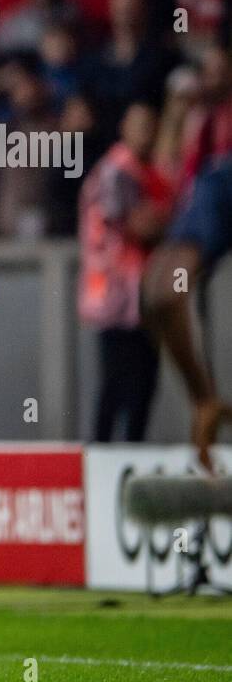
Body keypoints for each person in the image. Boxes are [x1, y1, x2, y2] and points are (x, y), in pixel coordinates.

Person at [78, 103, 174, 443]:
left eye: (152, 127)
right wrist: (175, 217)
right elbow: (141, 225)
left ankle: (132, 452)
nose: (148, 135)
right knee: (118, 382)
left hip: (143, 297)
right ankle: (103, 458)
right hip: (118, 299)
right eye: (141, 127)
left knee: (144, 382)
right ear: (125, 128)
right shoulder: (117, 172)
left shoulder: (146, 172)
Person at [143, 158, 232, 472]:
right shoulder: (213, 179)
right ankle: (204, 400)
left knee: (164, 289)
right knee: (157, 290)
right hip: (212, 179)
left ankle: (206, 401)